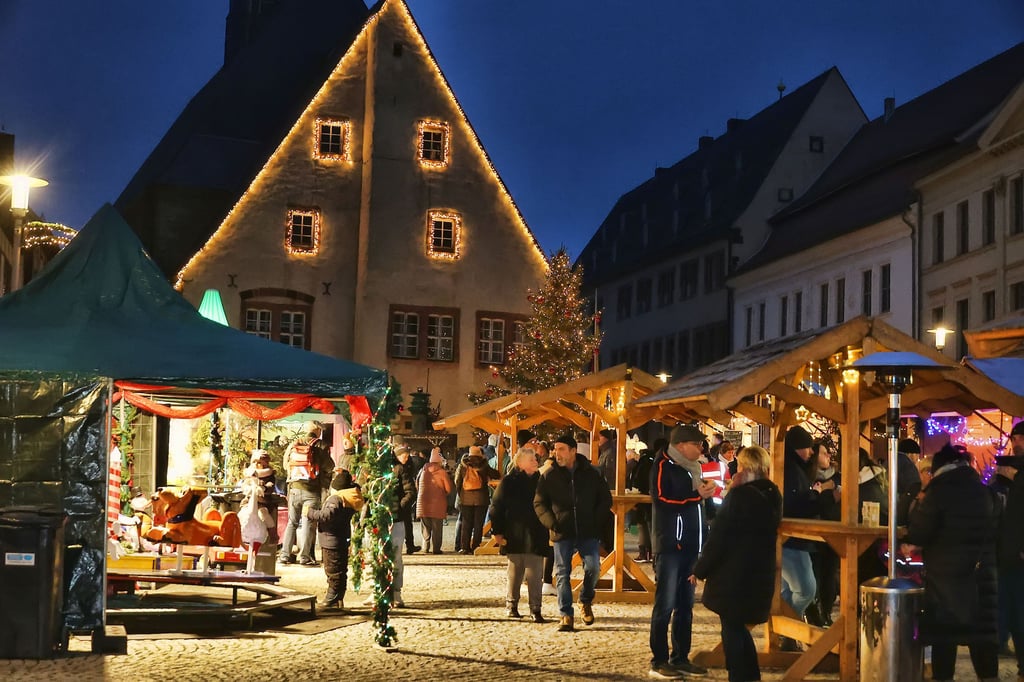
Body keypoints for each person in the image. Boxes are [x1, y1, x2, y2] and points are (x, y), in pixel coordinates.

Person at [904, 444, 999, 682]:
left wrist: (920, 500)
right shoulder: (985, 492)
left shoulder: (938, 493)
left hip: (946, 576)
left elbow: (919, 532)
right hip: (981, 575)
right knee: (982, 635)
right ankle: (989, 677)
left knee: (945, 638)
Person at [693, 445, 782, 682]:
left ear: (744, 467)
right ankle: (751, 676)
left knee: (732, 630)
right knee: (739, 629)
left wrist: (700, 569)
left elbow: (720, 537)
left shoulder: (740, 496)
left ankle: (740, 677)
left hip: (733, 575)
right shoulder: (773, 494)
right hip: (757, 572)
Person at [647, 424, 716, 679]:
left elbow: (698, 506)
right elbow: (662, 499)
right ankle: (659, 660)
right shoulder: (663, 465)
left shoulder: (694, 469)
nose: (701, 448)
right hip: (670, 547)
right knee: (665, 604)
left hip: (691, 547)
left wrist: (706, 498)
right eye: (697, 444)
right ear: (681, 445)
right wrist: (695, 496)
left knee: (685, 605)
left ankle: (680, 657)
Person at [534, 433, 612, 633]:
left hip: (588, 530)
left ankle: (585, 600)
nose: (556, 453)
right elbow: (539, 502)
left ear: (573, 451)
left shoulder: (592, 473)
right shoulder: (549, 475)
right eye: (555, 449)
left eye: (561, 449)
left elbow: (605, 499)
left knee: (594, 567)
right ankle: (565, 614)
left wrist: (596, 519)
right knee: (562, 573)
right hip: (562, 531)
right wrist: (552, 523)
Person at [490, 445, 549, 623]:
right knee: (515, 573)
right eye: (532, 459)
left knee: (535, 574)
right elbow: (496, 507)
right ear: (521, 463)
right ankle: (512, 605)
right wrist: (497, 531)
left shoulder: (542, 481)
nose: (536, 462)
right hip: (514, 533)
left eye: (535, 459)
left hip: (536, 533)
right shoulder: (509, 481)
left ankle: (535, 609)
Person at [778, 425, 821, 650]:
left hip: (789, 539)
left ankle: (786, 638)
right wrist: (820, 495)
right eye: (808, 447)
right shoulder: (793, 472)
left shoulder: (790, 468)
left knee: (787, 591)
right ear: (798, 448)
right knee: (806, 589)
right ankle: (785, 631)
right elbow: (797, 506)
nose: (811, 452)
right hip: (792, 539)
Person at [305, 470, 362, 610]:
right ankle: (338, 598)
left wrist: (310, 513)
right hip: (340, 538)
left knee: (333, 571)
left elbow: (327, 515)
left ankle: (332, 598)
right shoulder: (348, 499)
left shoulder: (336, 499)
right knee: (340, 570)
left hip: (331, 540)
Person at [279, 421, 334, 566]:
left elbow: (285, 465)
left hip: (294, 489)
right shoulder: (321, 445)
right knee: (309, 523)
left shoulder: (294, 444)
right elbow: (330, 466)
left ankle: (284, 555)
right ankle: (305, 557)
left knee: (292, 522)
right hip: (312, 491)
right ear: (317, 431)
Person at [995, 421, 1024, 675]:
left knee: (1018, 612)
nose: (1015, 443)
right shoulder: (1014, 479)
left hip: (1017, 555)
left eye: (1019, 438)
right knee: (1013, 610)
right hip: (1009, 554)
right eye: (1014, 438)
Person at [809, 439, 840, 627]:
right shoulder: (808, 477)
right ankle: (814, 613)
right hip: (813, 533)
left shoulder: (837, 477)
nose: (828, 455)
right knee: (815, 575)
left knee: (829, 574)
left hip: (833, 531)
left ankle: (826, 611)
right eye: (823, 452)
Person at [454, 445, 499, 554]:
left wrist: (461, 494)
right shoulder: (483, 465)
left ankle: (464, 547)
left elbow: (457, 481)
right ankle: (475, 546)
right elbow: (495, 474)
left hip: (466, 498)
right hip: (481, 498)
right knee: (478, 524)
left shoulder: (463, 465)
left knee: (466, 523)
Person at [416, 447, 452, 554]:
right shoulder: (441, 472)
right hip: (437, 503)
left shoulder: (423, 470)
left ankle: (425, 547)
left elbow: (417, 484)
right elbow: (448, 489)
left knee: (425, 527)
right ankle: (436, 549)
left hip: (422, 502)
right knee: (437, 528)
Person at [630, 441, 658, 563]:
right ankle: (652, 553)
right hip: (653, 500)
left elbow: (636, 480)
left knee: (643, 526)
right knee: (650, 526)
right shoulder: (655, 462)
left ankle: (644, 553)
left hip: (643, 499)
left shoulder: (643, 463)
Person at [393, 445, 421, 555]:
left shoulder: (403, 467)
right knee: (404, 526)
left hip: (402, 503)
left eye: (407, 456)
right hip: (399, 503)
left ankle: (410, 545)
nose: (406, 459)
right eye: (404, 456)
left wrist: (403, 503)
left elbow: (410, 490)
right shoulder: (399, 468)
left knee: (407, 525)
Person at [894, 438, 923, 525]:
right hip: (900, 508)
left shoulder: (890, 460)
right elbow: (914, 487)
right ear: (911, 454)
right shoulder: (908, 465)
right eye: (917, 455)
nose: (917, 458)